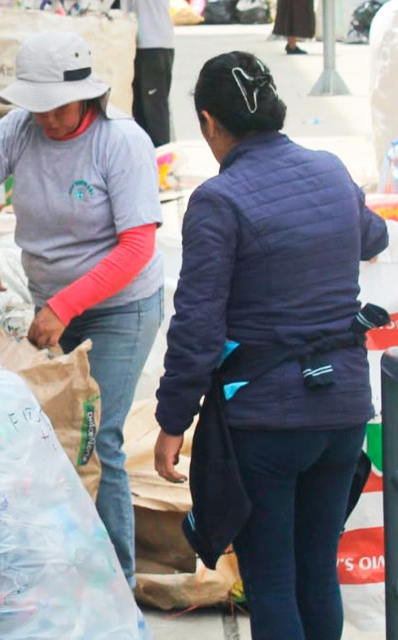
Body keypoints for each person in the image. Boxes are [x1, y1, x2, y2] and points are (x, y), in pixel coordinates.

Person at [153, 51, 389, 640]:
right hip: (342, 414)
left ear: (209, 122)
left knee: (272, 580)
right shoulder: (332, 170)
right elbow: (373, 234)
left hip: (268, 422)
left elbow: (197, 327)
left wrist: (172, 420)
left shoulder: (218, 200)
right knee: (316, 570)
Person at [0, 31, 163, 588]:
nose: (49, 120)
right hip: (51, 305)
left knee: (94, 436)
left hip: (121, 308)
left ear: (87, 96)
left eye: (58, 108)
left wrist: (65, 306)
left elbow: (137, 246)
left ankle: (116, 587)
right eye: (37, 108)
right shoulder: (18, 131)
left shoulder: (120, 142)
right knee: (48, 431)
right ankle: (61, 569)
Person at [122, 0, 176, 146]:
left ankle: (162, 155)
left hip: (153, 44)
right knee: (139, 108)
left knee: (154, 109)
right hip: (141, 44)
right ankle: (146, 154)